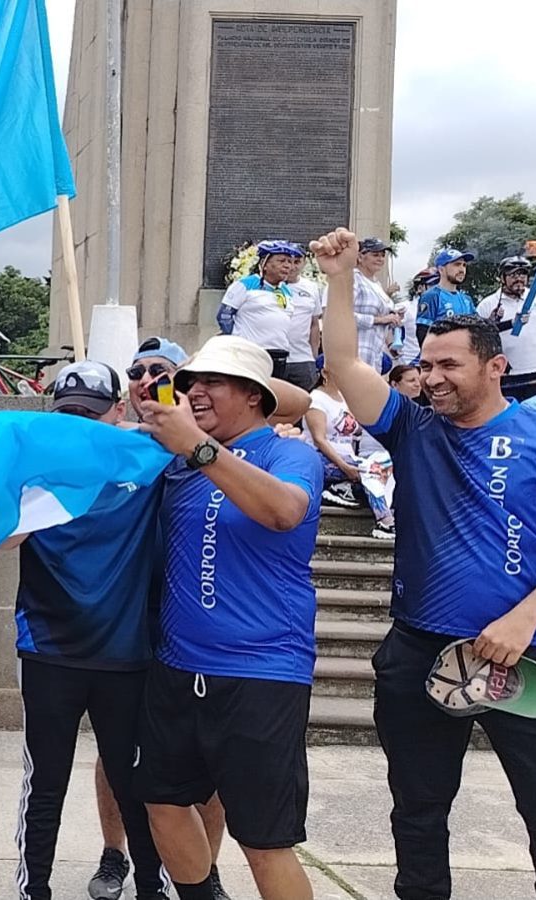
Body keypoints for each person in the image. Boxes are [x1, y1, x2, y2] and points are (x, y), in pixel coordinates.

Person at [315, 226, 536, 900]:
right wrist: (338, 276)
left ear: (495, 367)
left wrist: (524, 619)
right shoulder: (412, 427)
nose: (431, 378)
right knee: (418, 810)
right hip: (420, 651)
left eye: (449, 366)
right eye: (426, 365)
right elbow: (344, 364)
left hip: (528, 654)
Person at [136, 334, 323, 900]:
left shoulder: (289, 452)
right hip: (176, 666)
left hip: (262, 673)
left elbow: (284, 511)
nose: (193, 392)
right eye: (190, 382)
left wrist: (199, 448)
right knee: (163, 804)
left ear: (254, 397)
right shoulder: (178, 457)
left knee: (264, 839)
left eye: (212, 381)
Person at [12, 361, 170, 900]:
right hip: (49, 649)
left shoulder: (147, 462)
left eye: (89, 414)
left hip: (126, 653)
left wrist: (141, 427)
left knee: (134, 784)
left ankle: (151, 885)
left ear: (116, 410)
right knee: (45, 784)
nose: (78, 424)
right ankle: (34, 890)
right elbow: (2, 540)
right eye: (68, 415)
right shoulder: (37, 470)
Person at [308, 364, 396, 539]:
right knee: (371, 471)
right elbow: (319, 439)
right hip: (322, 458)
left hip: (349, 457)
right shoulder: (316, 398)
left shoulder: (344, 398)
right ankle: (384, 519)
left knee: (386, 464)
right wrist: (344, 466)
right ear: (325, 373)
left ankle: (343, 488)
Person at [217, 240, 308, 388]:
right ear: (265, 264)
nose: (288, 266)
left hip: (279, 355)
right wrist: (237, 341)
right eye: (281, 261)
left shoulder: (286, 290)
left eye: (290, 262)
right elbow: (224, 315)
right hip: (252, 354)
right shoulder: (245, 284)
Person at [477, 255, 536, 402]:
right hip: (508, 374)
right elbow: (477, 339)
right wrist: (492, 322)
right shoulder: (488, 304)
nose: (519, 279)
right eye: (513, 275)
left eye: (523, 274)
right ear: (502, 278)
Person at [347, 237, 405, 369]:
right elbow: (343, 316)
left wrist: (393, 316)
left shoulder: (376, 284)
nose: (380, 259)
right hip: (355, 351)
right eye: (375, 255)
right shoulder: (353, 279)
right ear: (360, 257)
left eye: (383, 255)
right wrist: (381, 319)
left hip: (375, 354)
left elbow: (384, 318)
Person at [415, 248, 476, 342]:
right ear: (441, 269)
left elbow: (477, 329)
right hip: (441, 355)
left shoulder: (467, 299)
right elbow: (422, 333)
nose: (462, 269)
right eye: (457, 264)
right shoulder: (431, 296)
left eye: (464, 265)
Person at [282, 249, 323, 390]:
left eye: (297, 262)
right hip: (275, 358)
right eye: (287, 261)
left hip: (302, 358)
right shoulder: (268, 286)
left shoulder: (311, 288)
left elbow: (314, 324)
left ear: (304, 263)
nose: (292, 267)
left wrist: (314, 355)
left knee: (310, 401)